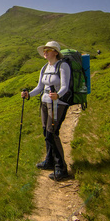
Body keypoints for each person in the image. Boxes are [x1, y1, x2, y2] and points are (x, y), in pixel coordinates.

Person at [21, 41, 70, 181]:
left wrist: (58, 95)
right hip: (44, 102)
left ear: (55, 52)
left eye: (48, 50)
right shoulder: (45, 67)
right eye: (44, 50)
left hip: (58, 104)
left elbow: (65, 86)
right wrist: (29, 94)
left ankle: (61, 168)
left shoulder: (63, 65)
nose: (45, 52)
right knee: (46, 132)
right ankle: (49, 161)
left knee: (52, 133)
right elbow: (39, 87)